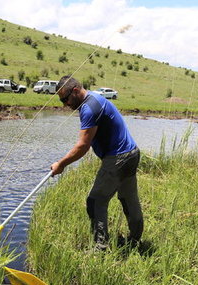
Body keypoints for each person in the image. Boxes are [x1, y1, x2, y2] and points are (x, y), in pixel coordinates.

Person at [50, 76, 143, 249]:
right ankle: (135, 241)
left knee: (95, 201)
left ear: (75, 91)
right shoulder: (94, 98)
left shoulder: (89, 108)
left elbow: (83, 146)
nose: (65, 104)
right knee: (129, 199)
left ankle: (100, 248)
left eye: (65, 99)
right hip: (132, 154)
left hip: (118, 159)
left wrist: (61, 164)